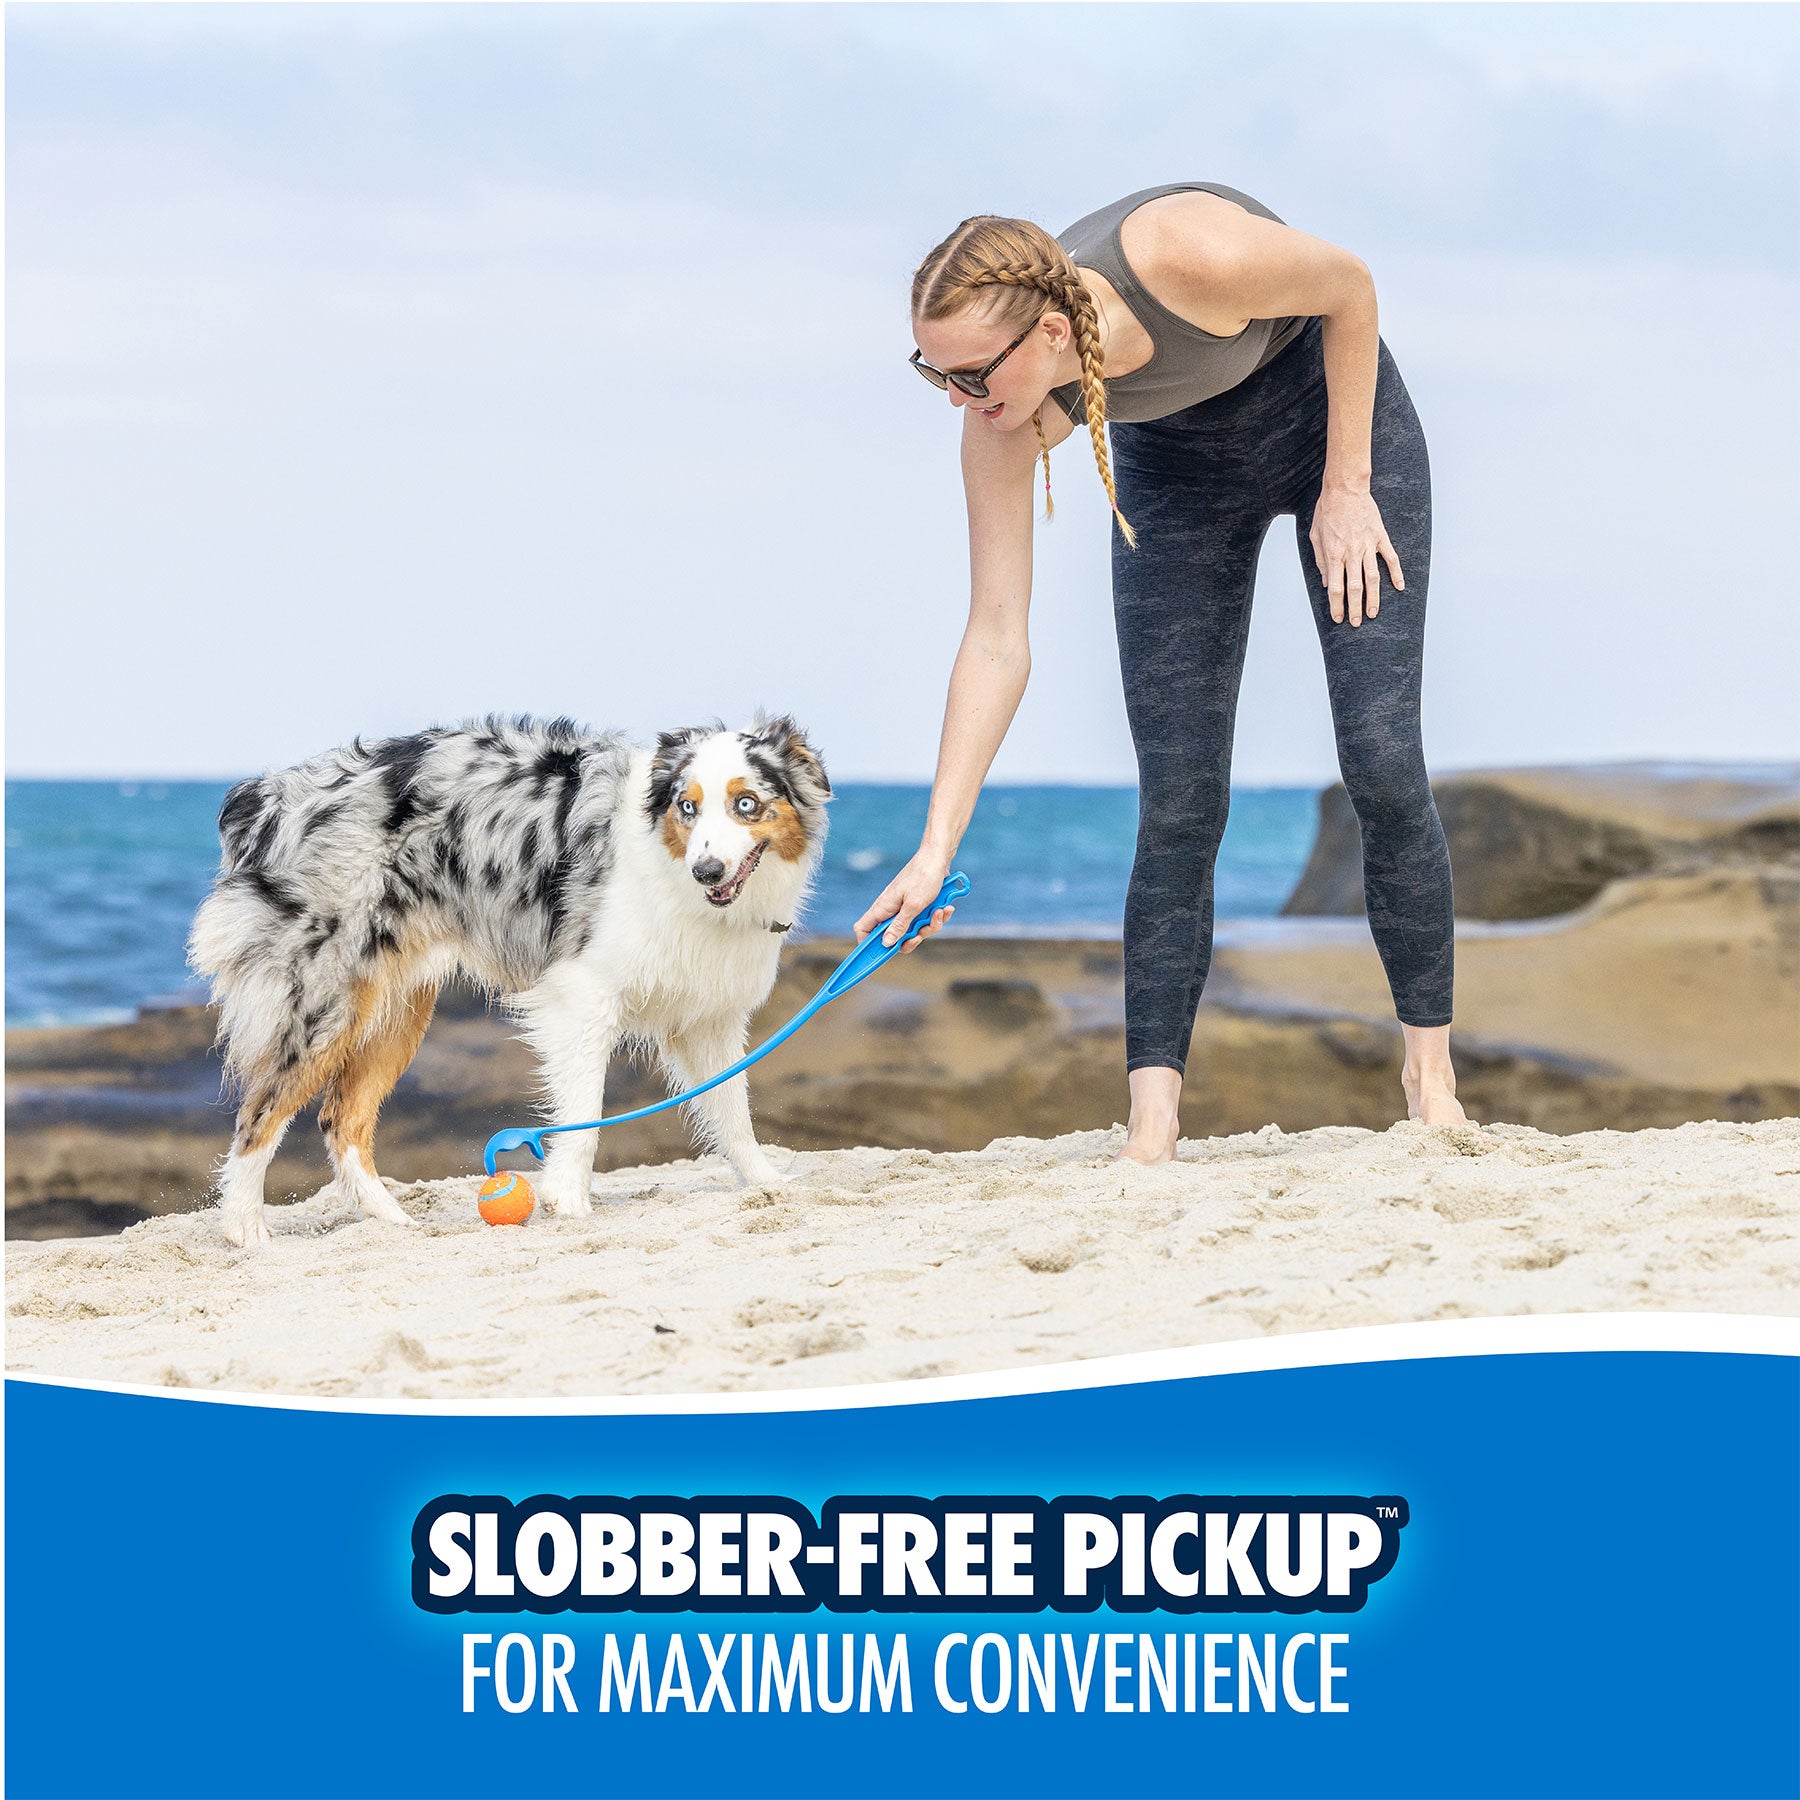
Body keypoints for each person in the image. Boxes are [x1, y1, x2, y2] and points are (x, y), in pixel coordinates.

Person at [854, 182, 1466, 1165]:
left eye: (973, 375)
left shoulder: (1188, 257)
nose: (962, 401)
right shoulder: (1003, 420)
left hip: (1327, 422)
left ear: (1051, 331)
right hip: (1177, 477)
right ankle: (1152, 1127)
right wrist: (935, 847)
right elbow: (996, 637)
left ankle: (1430, 1083)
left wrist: (1346, 488)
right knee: (1180, 799)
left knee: (1382, 760)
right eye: (939, 376)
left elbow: (1351, 288)